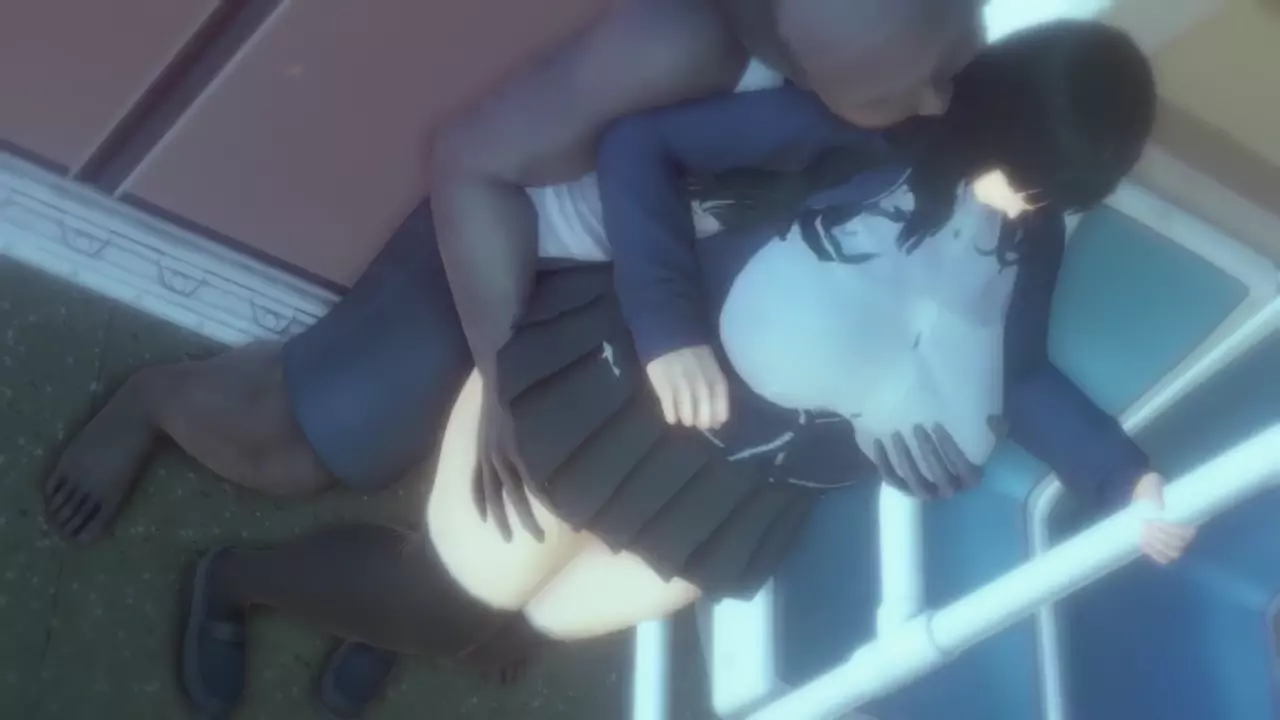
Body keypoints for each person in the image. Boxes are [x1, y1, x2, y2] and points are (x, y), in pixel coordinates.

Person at [174, 20, 1198, 719]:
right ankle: (241, 581)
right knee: (456, 599)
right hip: (622, 391)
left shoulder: (1029, 237)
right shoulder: (857, 140)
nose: (1025, 205)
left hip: (740, 491)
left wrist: (1121, 478)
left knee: (538, 614)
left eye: (1050, 195)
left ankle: (407, 614)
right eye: (1027, 177)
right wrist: (670, 328)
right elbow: (642, 149)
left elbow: (1017, 372)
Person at [43, 0, 983, 716]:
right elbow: (473, 162)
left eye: (950, 63)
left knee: (511, 563)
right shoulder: (686, 44)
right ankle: (158, 405)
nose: (939, 102)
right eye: (897, 88)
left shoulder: (927, 73)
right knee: (303, 449)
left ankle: (403, 603)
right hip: (515, 256)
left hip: (638, 317)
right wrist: (503, 379)